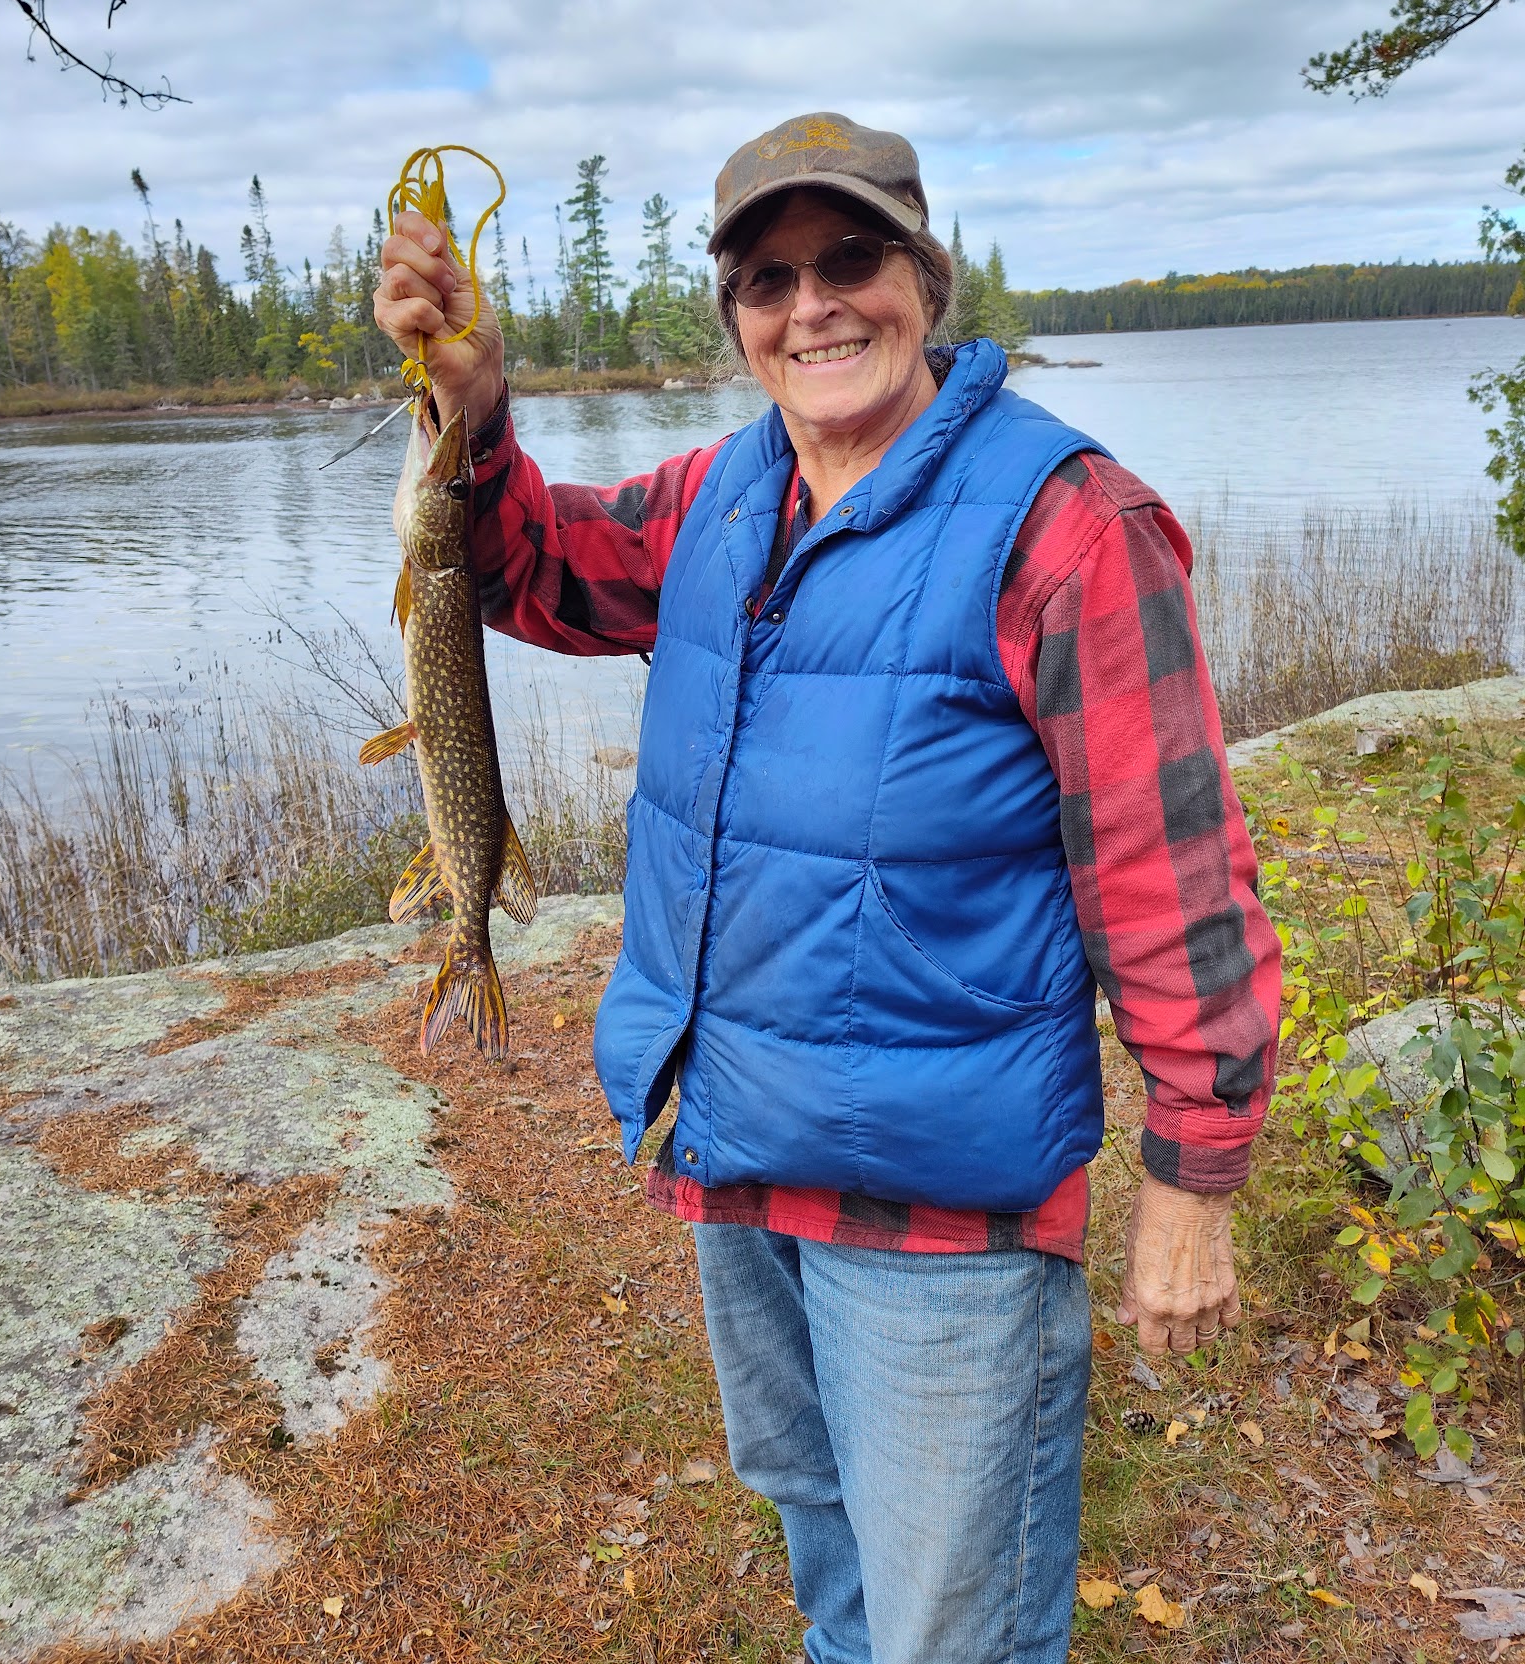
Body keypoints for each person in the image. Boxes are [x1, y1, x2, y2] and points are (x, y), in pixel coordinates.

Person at [374, 113, 1282, 1664]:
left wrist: (1192, 1186)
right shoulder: (724, 497)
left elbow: (1170, 872)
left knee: (956, 1628)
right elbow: (535, 569)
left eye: (852, 259)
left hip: (948, 1218)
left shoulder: (1068, 525)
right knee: (835, 1570)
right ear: (734, 314)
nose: (815, 307)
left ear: (924, 276)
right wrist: (474, 410)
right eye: (769, 276)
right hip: (744, 1159)